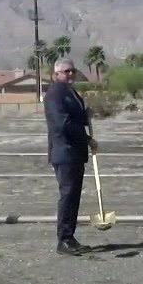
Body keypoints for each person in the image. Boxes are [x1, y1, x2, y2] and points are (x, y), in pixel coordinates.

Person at [43, 58, 98, 255]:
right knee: (67, 196)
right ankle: (63, 239)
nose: (71, 74)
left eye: (73, 71)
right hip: (64, 152)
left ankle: (70, 237)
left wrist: (85, 116)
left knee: (73, 196)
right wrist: (87, 138)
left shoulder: (70, 92)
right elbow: (62, 123)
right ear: (56, 74)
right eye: (66, 71)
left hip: (75, 152)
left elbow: (74, 118)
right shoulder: (55, 94)